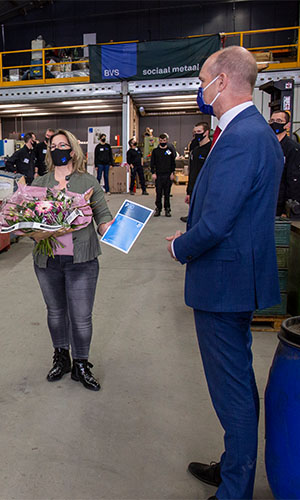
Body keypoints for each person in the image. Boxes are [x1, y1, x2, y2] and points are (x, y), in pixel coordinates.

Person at [166, 46, 283, 500]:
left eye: (202, 80)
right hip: (235, 278)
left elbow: (216, 223)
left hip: (223, 281)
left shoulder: (243, 137)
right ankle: (235, 465)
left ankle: (235, 489)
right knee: (237, 380)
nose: (200, 89)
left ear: (224, 80)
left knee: (231, 389)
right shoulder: (249, 133)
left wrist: (180, 246)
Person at [30, 129, 113, 391]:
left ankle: (80, 363)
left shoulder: (88, 182)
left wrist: (115, 228)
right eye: (53, 145)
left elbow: (103, 219)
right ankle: (61, 358)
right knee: (55, 313)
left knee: (81, 317)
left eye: (63, 145)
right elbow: (27, 221)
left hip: (82, 260)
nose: (58, 149)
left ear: (73, 150)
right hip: (48, 261)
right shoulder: (40, 184)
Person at [269, 109, 300, 216]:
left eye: (279, 120)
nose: (275, 123)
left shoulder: (292, 149)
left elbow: (293, 179)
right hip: (267, 200)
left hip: (281, 203)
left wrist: (287, 209)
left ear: (287, 125)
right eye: (272, 120)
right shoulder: (266, 146)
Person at [181, 122, 211, 223]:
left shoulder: (212, 149)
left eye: (199, 131)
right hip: (195, 186)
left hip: (208, 187)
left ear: (206, 132)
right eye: (194, 132)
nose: (196, 134)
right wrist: (189, 191)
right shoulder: (195, 150)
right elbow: (192, 172)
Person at [150, 133, 176, 217]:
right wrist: (153, 173)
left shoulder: (169, 151)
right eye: (161, 140)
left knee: (167, 193)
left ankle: (167, 209)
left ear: (167, 141)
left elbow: (173, 163)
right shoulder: (155, 151)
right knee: (158, 193)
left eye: (164, 140)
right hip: (159, 175)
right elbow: (152, 163)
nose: (162, 142)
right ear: (159, 141)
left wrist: (172, 173)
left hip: (168, 175)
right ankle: (158, 208)